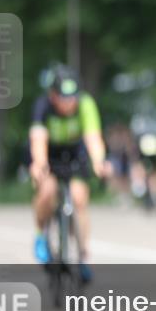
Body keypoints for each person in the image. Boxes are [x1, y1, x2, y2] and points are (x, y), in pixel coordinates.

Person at [29, 65, 106, 282]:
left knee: (79, 199)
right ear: (53, 95)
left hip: (75, 152)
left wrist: (99, 161)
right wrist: (40, 163)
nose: (69, 103)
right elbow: (38, 139)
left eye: (72, 97)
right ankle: (39, 235)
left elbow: (93, 137)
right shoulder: (42, 106)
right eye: (63, 98)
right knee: (47, 191)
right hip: (49, 153)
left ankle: (83, 255)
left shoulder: (86, 104)